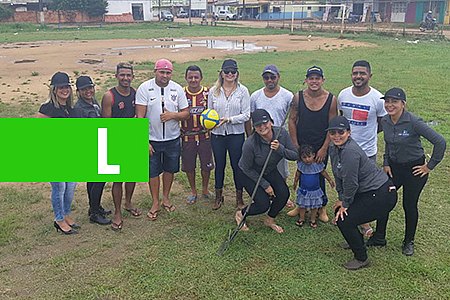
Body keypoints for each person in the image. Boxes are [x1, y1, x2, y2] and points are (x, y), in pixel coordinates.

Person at [380, 88, 446, 256]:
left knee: (409, 204)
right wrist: (386, 162)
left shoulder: (413, 121)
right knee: (384, 197)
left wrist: (429, 166)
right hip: (394, 168)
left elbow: (440, 142)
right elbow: (388, 143)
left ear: (403, 104)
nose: (390, 105)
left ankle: (408, 241)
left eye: (394, 101)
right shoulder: (385, 121)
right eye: (387, 101)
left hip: (414, 169)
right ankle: (379, 236)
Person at [328, 116, 397, 270]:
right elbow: (337, 174)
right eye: (333, 132)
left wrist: (345, 203)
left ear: (349, 132)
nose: (337, 136)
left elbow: (351, 183)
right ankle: (356, 240)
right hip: (369, 191)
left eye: (341, 132)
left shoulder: (350, 152)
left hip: (382, 194)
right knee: (343, 212)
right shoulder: (333, 148)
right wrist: (341, 198)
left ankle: (361, 258)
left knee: (343, 219)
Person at [136, 59, 189, 221]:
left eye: (168, 72)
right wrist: (144, 141)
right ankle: (155, 201)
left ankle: (165, 197)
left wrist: (172, 115)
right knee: (153, 172)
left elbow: (186, 113)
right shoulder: (145, 88)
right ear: (155, 71)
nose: (165, 75)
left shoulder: (177, 89)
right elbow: (139, 117)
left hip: (172, 138)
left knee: (169, 169)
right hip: (152, 139)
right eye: (162, 72)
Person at [337, 60, 386, 236]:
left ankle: (365, 223)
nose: (358, 76)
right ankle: (350, 217)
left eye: (362, 73)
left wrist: (368, 134)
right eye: (355, 73)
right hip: (344, 152)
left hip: (367, 152)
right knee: (347, 184)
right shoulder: (343, 95)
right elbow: (341, 119)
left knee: (365, 190)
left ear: (370, 76)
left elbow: (382, 124)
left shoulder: (378, 99)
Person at [288, 66, 337, 222]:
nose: (314, 81)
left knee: (318, 174)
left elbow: (332, 125)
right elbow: (292, 120)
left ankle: (321, 207)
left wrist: (324, 148)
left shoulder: (331, 99)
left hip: (321, 144)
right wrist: (296, 144)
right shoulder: (298, 97)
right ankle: (301, 205)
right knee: (302, 173)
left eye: (317, 78)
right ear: (306, 80)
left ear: (323, 80)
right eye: (311, 78)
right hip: (303, 145)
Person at [237, 109, 297, 233]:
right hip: (249, 174)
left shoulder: (281, 134)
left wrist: (280, 149)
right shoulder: (250, 143)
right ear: (254, 127)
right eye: (258, 125)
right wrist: (266, 185)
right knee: (263, 204)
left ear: (271, 122)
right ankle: (241, 213)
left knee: (283, 194)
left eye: (265, 122)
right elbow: (246, 168)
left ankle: (269, 219)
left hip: (269, 170)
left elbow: (295, 155)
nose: (262, 127)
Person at [245, 64, 294, 207]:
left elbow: (292, 118)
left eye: (272, 77)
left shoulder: (287, 96)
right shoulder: (255, 96)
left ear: (278, 77)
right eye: (266, 77)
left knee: (281, 170)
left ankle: (281, 196)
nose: (269, 80)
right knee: (261, 169)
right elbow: (250, 118)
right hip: (260, 141)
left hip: (279, 138)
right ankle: (264, 194)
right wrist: (250, 136)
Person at [37, 72, 78, 235]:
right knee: (59, 188)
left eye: (66, 86)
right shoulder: (47, 108)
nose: (64, 90)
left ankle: (66, 214)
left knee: (70, 187)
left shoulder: (69, 108)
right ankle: (59, 219)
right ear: (54, 89)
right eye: (61, 87)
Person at [102, 63, 141, 230]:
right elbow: (106, 125)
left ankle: (128, 203)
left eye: (128, 75)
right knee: (117, 180)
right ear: (116, 76)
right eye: (122, 75)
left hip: (132, 139)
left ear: (132, 77)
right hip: (116, 140)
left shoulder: (136, 93)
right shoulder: (109, 96)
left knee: (131, 176)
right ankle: (117, 212)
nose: (125, 78)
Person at [208, 59, 250, 210]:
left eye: (233, 71)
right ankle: (219, 197)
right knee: (219, 165)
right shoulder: (213, 91)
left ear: (237, 73)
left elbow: (246, 115)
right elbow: (209, 113)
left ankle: (239, 198)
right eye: (227, 71)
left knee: (237, 166)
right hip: (218, 135)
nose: (230, 74)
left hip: (236, 135)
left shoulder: (242, 91)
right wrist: (210, 123)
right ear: (222, 73)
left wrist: (229, 120)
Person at [74, 75, 112, 226]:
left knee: (94, 180)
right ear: (78, 91)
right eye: (84, 89)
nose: (88, 91)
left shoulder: (93, 102)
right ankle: (95, 213)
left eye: (90, 87)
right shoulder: (79, 108)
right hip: (91, 147)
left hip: (99, 143)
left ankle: (94, 207)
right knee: (98, 180)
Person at [181, 65, 214, 204]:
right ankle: (193, 191)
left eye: (196, 77)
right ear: (186, 78)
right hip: (187, 136)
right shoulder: (181, 93)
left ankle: (205, 189)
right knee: (189, 166)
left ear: (201, 78)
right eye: (190, 77)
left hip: (204, 136)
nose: (193, 80)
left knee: (206, 165)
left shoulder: (208, 92)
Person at [293, 144, 335, 228]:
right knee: (302, 205)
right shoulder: (301, 165)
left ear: (314, 155)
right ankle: (301, 218)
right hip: (304, 190)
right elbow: (297, 174)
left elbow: (323, 173)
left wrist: (330, 180)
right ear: (301, 157)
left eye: (309, 156)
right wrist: (295, 182)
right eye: (304, 157)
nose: (307, 159)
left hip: (315, 191)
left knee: (314, 207)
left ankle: (313, 220)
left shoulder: (317, 165)